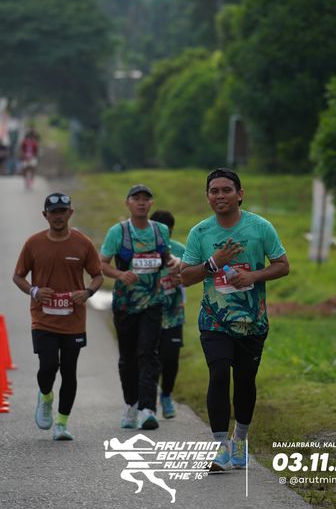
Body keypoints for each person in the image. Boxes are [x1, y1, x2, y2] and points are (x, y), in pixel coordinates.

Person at [180, 167, 289, 471]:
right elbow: (185, 277)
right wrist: (213, 263)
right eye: (214, 191)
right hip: (214, 319)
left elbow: (283, 265)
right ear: (207, 197)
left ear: (240, 195)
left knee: (244, 381)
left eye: (226, 190)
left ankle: (240, 439)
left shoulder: (260, 228)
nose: (220, 196)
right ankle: (220, 448)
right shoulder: (200, 233)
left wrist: (253, 276)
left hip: (252, 321)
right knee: (218, 374)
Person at [12, 192, 103, 441]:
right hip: (43, 318)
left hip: (73, 320)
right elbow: (18, 276)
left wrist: (87, 292)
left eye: (63, 211)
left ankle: (61, 424)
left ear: (70, 213)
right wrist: (34, 291)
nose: (58, 216)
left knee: (69, 372)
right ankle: (45, 396)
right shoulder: (33, 243)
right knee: (48, 366)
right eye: (53, 212)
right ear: (45, 215)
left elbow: (97, 275)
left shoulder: (83, 243)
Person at [100, 185, 173, 431]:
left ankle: (147, 409)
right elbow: (102, 264)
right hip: (125, 305)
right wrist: (120, 275)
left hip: (153, 302)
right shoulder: (118, 232)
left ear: (151, 203)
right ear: (128, 203)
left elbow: (166, 258)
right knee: (128, 357)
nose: (141, 203)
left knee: (148, 353)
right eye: (136, 199)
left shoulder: (160, 230)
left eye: (146, 199)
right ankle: (131, 404)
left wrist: (174, 264)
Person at [150, 210, 185, 420]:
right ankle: (149, 401)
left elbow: (193, 273)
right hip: (148, 314)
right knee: (150, 358)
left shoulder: (180, 250)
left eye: (167, 231)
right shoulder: (143, 250)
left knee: (171, 358)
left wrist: (182, 276)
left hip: (174, 314)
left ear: (171, 230)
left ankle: (166, 395)